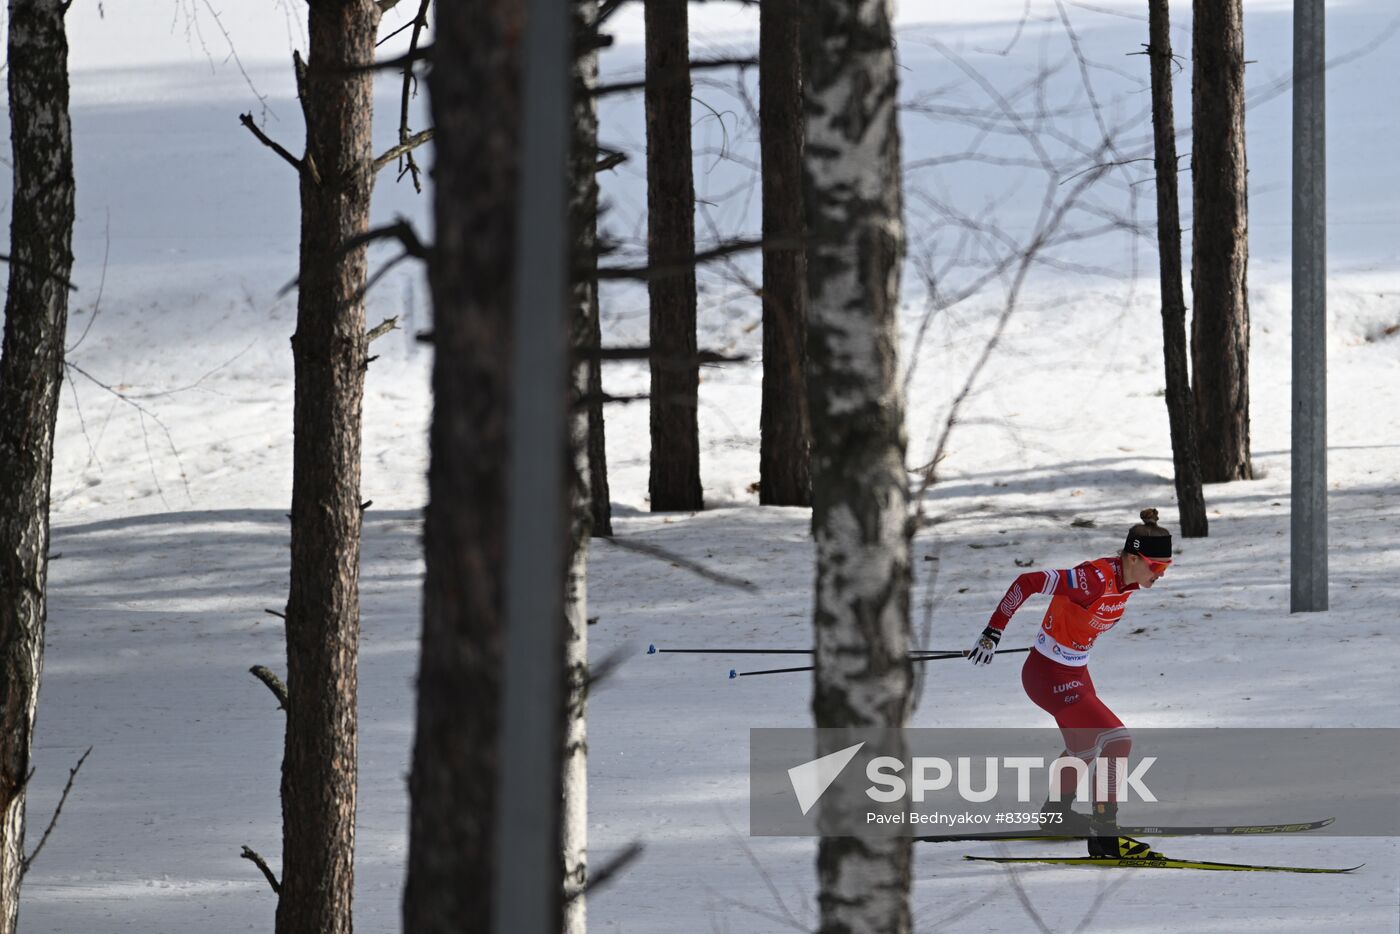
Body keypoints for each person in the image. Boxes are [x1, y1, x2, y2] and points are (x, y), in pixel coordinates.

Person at [967, 508, 1174, 859]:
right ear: (1133, 558)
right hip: (1049, 676)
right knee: (1117, 741)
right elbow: (1027, 582)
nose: (1161, 575)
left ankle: (1056, 815)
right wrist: (993, 631)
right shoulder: (1090, 579)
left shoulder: (1126, 578)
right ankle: (1105, 836)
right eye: (1156, 567)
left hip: (1073, 671)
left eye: (1166, 568)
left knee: (1084, 747)